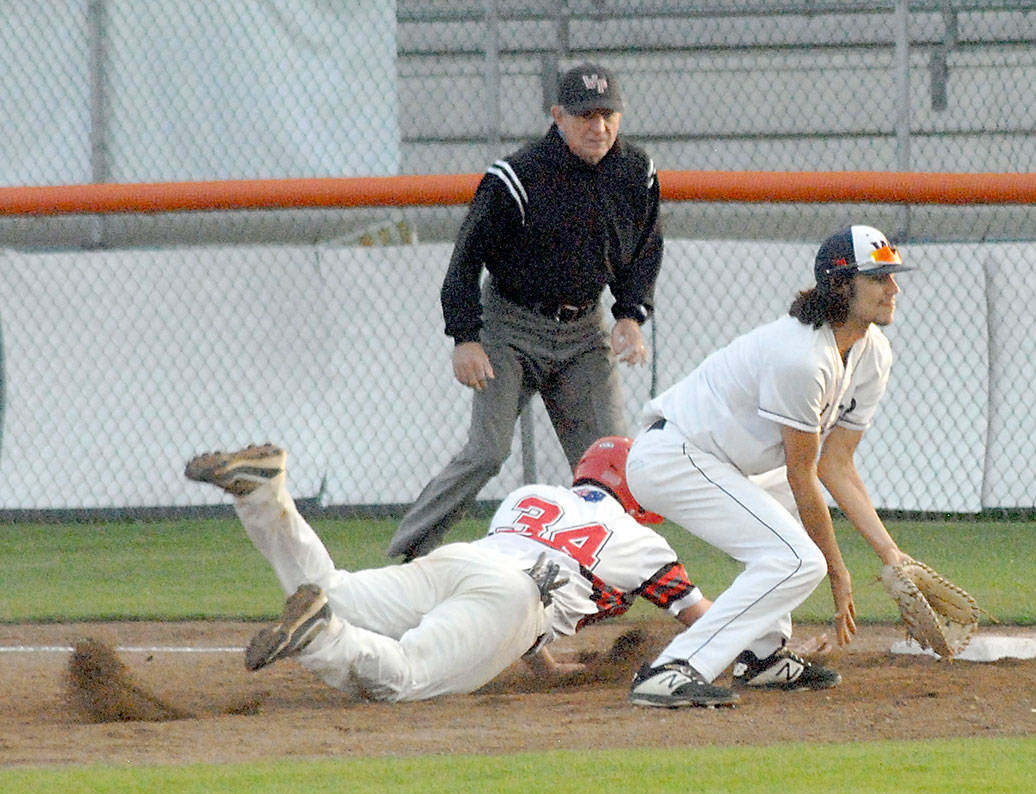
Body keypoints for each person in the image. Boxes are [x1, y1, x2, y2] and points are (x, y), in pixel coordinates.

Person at [184, 437, 732, 705]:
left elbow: (525, 578)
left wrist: (546, 670)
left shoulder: (532, 495)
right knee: (405, 678)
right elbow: (710, 624)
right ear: (637, 491)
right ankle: (322, 638)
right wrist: (774, 651)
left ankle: (262, 495)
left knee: (333, 589)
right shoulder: (644, 542)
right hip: (513, 597)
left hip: (459, 562)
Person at [623, 225, 917, 708]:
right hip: (674, 456)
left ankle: (761, 657)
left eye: (893, 275)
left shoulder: (872, 352)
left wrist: (892, 554)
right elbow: (804, 476)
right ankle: (672, 669)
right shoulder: (801, 357)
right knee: (796, 559)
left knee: (787, 542)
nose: (894, 288)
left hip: (729, 460)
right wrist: (838, 575)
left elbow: (836, 465)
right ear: (842, 284)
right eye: (879, 276)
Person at [389, 61, 663, 562]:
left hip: (584, 331)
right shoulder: (517, 175)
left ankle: (610, 573)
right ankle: (406, 555)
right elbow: (465, 259)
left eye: (607, 114)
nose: (597, 126)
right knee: (487, 452)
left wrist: (630, 313)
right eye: (584, 115)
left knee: (612, 464)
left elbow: (645, 248)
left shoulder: (635, 171)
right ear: (558, 116)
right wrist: (464, 336)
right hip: (510, 327)